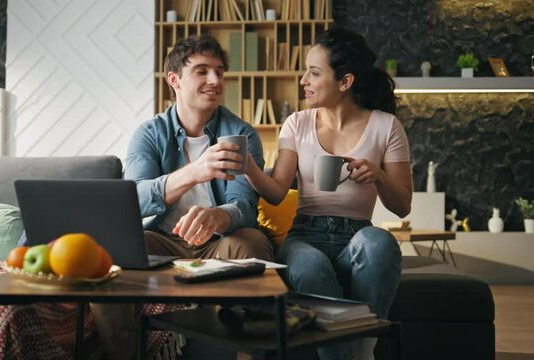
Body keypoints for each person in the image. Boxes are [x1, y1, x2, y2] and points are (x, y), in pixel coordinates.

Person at [244, 28, 412, 360]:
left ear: (345, 82)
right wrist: (247, 166)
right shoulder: (297, 123)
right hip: (306, 234)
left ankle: (362, 349)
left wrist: (378, 176)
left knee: (380, 243)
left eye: (314, 72)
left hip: (356, 235)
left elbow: (402, 205)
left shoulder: (386, 126)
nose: (303, 79)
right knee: (308, 265)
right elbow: (277, 192)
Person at [124, 34, 273, 261]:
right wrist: (194, 172)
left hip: (220, 243)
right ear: (174, 80)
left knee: (252, 243)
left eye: (219, 72)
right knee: (118, 245)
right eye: (202, 71)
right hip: (162, 240)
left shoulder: (242, 134)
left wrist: (217, 217)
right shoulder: (149, 133)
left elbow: (244, 206)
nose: (215, 80)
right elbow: (133, 201)